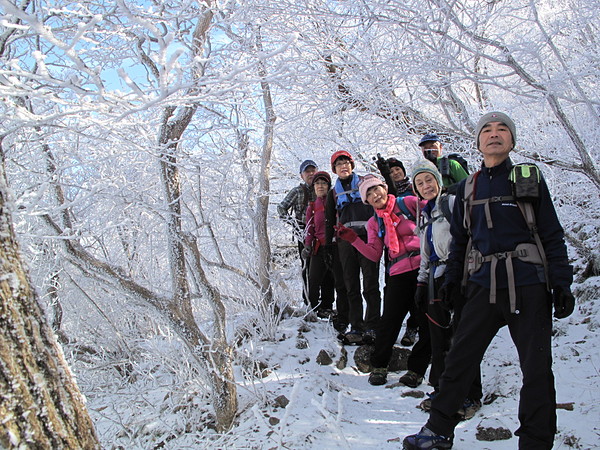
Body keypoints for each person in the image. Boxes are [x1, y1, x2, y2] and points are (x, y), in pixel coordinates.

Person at [403, 112, 575, 450]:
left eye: (502, 130)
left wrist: (562, 281)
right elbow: (461, 239)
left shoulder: (526, 176)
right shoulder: (469, 186)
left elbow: (551, 233)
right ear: (478, 142)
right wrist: (453, 280)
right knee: (459, 358)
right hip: (482, 284)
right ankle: (438, 430)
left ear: (511, 140)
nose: (494, 134)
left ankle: (536, 442)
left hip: (527, 282)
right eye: (486, 130)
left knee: (537, 368)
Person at [335, 174, 431, 387]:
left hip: (424, 268)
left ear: (385, 188)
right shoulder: (374, 222)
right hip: (397, 272)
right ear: (366, 201)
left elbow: (434, 210)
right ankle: (379, 366)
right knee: (389, 321)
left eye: (376, 189)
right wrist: (353, 239)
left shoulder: (407, 203)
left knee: (427, 321)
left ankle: (416, 370)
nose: (374, 195)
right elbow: (374, 254)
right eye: (368, 193)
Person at [411, 159, 482, 419]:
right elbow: (425, 253)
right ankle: (442, 389)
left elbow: (467, 237)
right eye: (419, 183)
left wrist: (459, 273)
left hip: (460, 276)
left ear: (438, 181)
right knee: (439, 338)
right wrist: (421, 283)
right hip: (435, 280)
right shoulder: (425, 213)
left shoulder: (451, 204)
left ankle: (471, 395)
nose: (425, 186)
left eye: (429, 180)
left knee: (463, 338)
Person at [325, 151, 381, 345]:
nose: (343, 167)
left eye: (346, 163)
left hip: (368, 237)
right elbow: (329, 218)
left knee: (371, 284)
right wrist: (328, 247)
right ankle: (356, 326)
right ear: (334, 169)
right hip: (345, 243)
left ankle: (372, 326)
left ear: (352, 165)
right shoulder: (334, 192)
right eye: (339, 164)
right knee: (351, 286)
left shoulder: (366, 183)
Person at [375, 155, 419, 347]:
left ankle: (413, 326)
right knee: (393, 289)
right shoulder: (385, 195)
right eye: (391, 172)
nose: (395, 173)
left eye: (397, 169)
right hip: (393, 249)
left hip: (415, 249)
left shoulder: (414, 189)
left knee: (418, 291)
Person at [277, 160, 318, 305]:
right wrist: (294, 226)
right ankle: (308, 302)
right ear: (302, 175)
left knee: (324, 269)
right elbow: (281, 208)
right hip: (303, 234)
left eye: (313, 170)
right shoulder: (297, 191)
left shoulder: (322, 188)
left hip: (321, 234)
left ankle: (324, 304)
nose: (311, 174)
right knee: (307, 268)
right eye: (307, 171)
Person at [303, 171, 336, 318]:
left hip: (334, 245)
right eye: (317, 183)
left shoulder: (335, 201)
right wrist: (307, 245)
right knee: (313, 278)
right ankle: (312, 308)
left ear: (328, 186)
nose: (320, 186)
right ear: (314, 187)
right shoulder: (312, 206)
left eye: (324, 183)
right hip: (318, 247)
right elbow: (309, 228)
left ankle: (327, 307)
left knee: (331, 278)